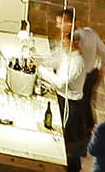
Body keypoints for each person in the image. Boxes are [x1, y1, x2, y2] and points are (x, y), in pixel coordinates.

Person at [41, 30, 88, 172]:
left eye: (66, 41)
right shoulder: (67, 54)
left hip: (71, 104)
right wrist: (37, 60)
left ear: (74, 42)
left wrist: (42, 71)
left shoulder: (78, 62)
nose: (63, 43)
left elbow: (61, 83)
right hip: (62, 98)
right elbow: (53, 61)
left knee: (67, 140)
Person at [55, 7, 105, 127]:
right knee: (87, 103)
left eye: (60, 23)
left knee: (74, 105)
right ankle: (88, 128)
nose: (57, 26)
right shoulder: (91, 34)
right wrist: (101, 69)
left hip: (77, 78)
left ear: (69, 23)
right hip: (90, 75)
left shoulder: (70, 41)